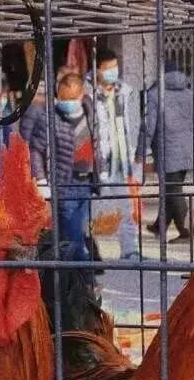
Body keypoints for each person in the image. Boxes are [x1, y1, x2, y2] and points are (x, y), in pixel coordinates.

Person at [29, 71, 95, 260]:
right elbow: (36, 150)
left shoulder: (92, 113)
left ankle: (70, 271)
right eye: (63, 98)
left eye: (72, 98)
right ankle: (85, 272)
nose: (67, 103)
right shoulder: (49, 119)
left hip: (87, 183)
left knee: (78, 231)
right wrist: (41, 180)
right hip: (64, 184)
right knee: (73, 234)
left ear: (81, 95)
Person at [139, 60, 194, 242]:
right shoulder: (189, 94)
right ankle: (159, 226)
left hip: (167, 151)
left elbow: (148, 126)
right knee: (171, 188)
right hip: (187, 150)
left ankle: (187, 232)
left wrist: (141, 151)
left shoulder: (154, 95)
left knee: (174, 190)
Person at [86, 50, 142, 260]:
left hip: (120, 161)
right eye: (107, 68)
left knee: (125, 207)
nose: (112, 72)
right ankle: (88, 251)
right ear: (97, 70)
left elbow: (133, 124)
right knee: (91, 210)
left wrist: (135, 156)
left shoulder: (124, 92)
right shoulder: (88, 94)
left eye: (114, 67)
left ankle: (129, 249)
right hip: (97, 162)